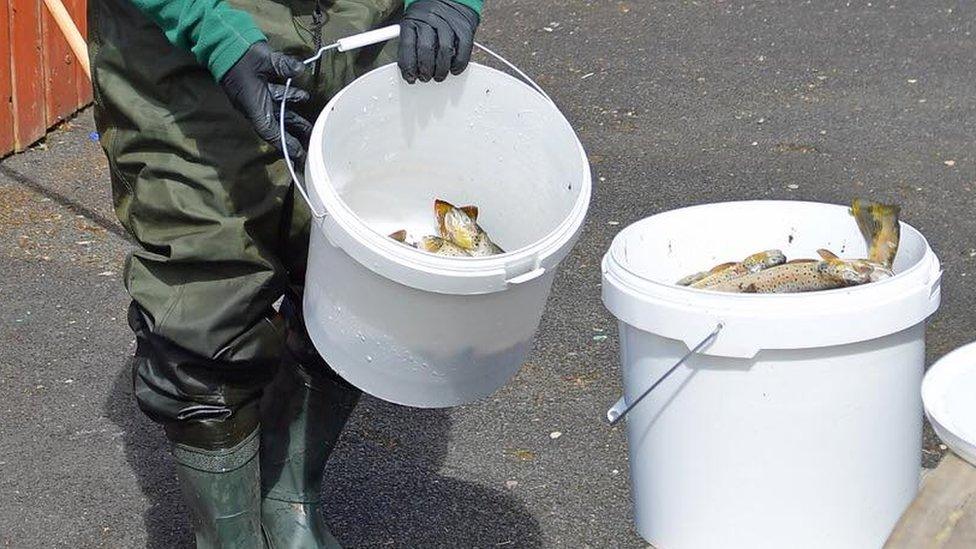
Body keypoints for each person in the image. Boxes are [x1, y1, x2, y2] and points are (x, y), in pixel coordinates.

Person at [88, 0, 482, 545]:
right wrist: (218, 34)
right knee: (205, 288)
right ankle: (231, 537)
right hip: (190, 38)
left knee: (351, 273)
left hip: (358, 26)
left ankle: (291, 498)